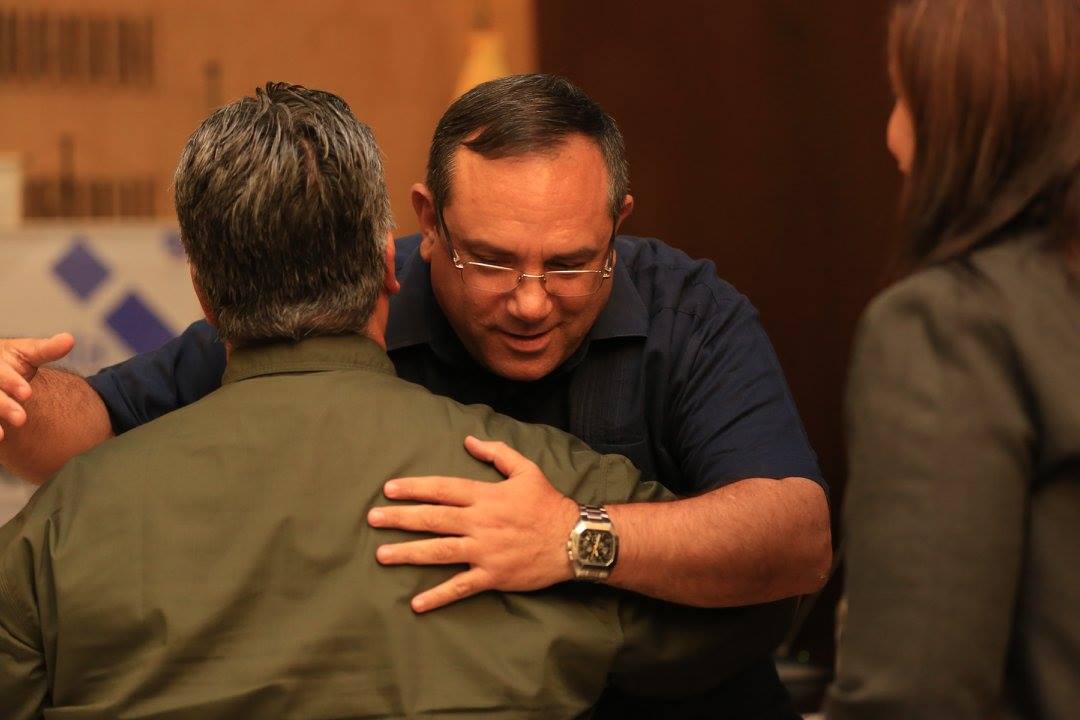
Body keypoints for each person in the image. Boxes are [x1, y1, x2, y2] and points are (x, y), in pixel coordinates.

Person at [0, 74, 831, 716]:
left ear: (618, 223)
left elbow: (795, 542)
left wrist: (577, 538)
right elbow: (105, 429)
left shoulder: (687, 312)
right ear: (420, 231)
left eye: (573, 263)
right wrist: (10, 396)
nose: (533, 299)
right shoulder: (322, 300)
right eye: (493, 261)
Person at [827, 0, 1080, 718]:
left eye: (904, 98)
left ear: (967, 121)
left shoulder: (953, 324)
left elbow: (916, 696)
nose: (892, 137)